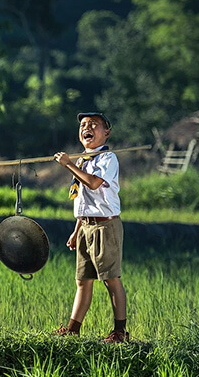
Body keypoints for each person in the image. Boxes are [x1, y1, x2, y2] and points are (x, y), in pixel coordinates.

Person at [52, 112, 128, 343]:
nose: (87, 128)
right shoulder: (82, 161)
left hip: (106, 227)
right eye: (84, 125)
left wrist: (68, 165)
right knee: (83, 280)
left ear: (106, 132)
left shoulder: (108, 159)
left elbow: (93, 183)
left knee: (110, 279)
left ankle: (120, 332)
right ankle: (73, 329)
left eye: (94, 125)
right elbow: (83, 200)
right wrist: (77, 232)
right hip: (86, 226)